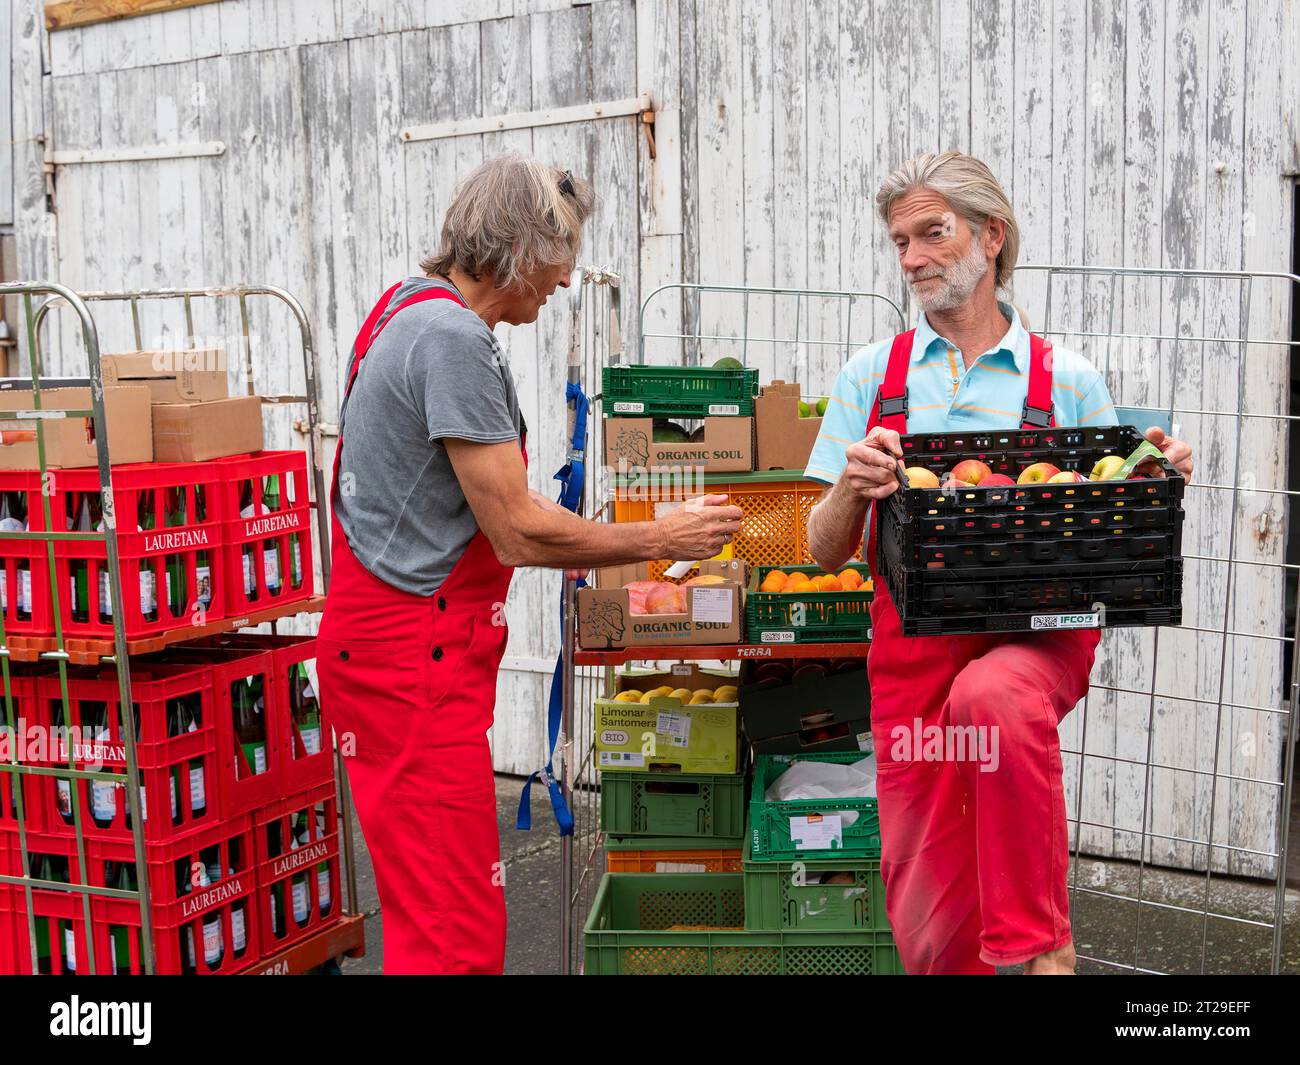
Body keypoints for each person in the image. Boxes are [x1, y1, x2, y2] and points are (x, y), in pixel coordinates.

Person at [316, 153, 742, 974]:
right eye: (561, 254)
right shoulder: (448, 338)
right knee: (453, 929)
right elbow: (514, 530)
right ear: (515, 246)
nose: (567, 276)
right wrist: (662, 538)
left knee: (430, 911)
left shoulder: (402, 310)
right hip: (412, 664)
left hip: (391, 653)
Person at [805, 151, 1193, 976]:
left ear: (991, 236)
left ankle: (1045, 949)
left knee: (995, 697)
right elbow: (822, 547)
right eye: (900, 240)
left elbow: (1112, 500)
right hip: (911, 648)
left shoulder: (1068, 379)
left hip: (1039, 632)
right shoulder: (871, 377)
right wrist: (850, 484)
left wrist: (1149, 468)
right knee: (932, 913)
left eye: (931, 234)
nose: (910, 258)